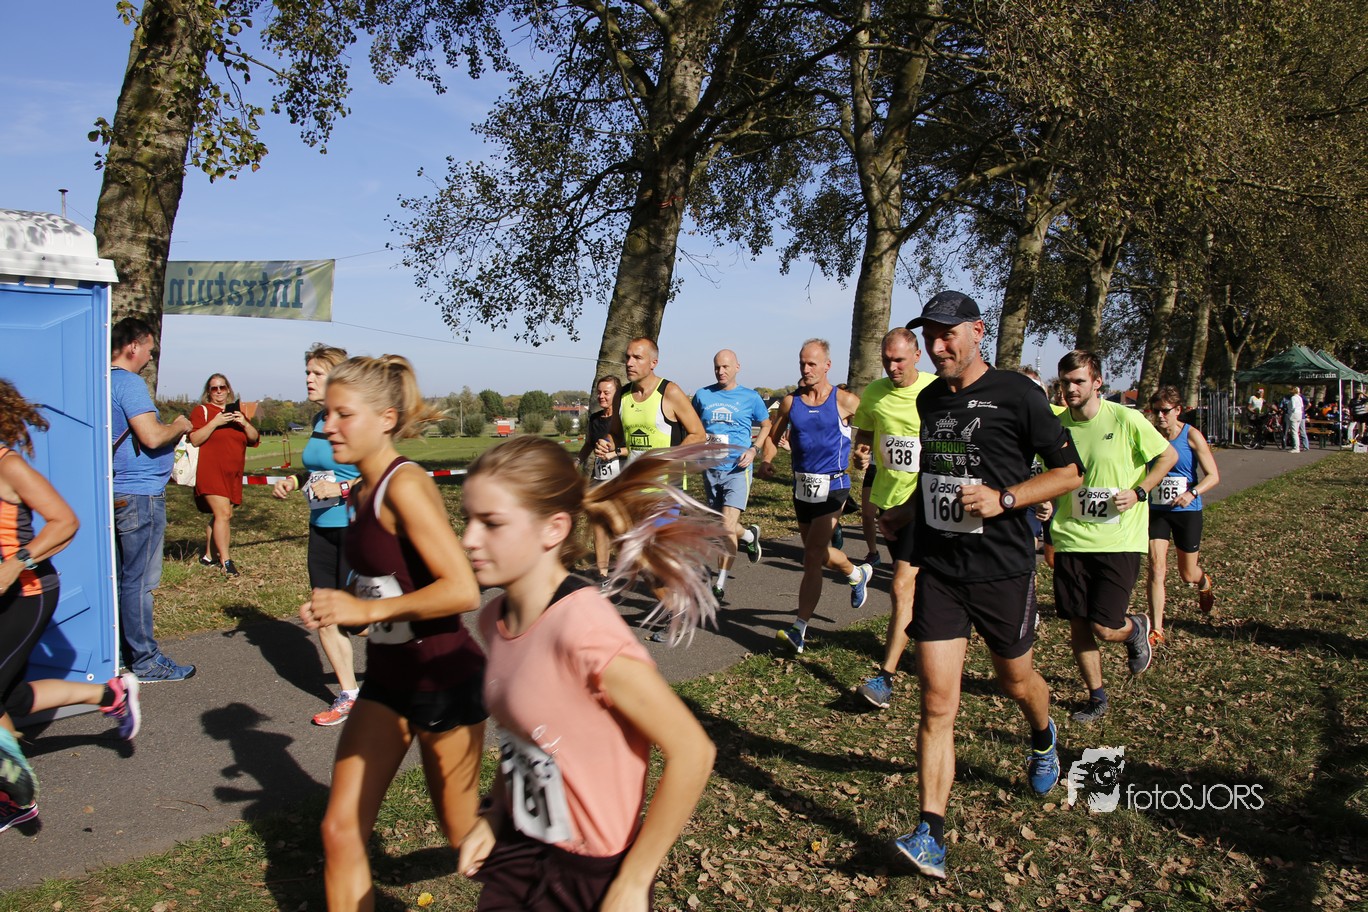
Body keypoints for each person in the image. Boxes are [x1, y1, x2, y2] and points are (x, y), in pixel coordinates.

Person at [457, 436, 716, 911]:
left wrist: (634, 880)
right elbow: (524, 737)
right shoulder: (492, 620)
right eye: (467, 520)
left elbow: (693, 751)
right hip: (521, 847)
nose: (469, 539)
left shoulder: (584, 630)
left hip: (589, 875)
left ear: (553, 529)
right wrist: (493, 817)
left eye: (491, 523)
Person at [879, 291, 1084, 881]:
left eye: (948, 334)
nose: (938, 346)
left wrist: (1006, 499)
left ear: (978, 330)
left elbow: (1070, 472)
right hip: (942, 569)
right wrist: (906, 513)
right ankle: (930, 833)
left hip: (1002, 568)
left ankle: (1043, 735)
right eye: (931, 336)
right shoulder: (928, 400)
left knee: (1014, 681)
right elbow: (936, 471)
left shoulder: (1019, 394)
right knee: (935, 701)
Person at [298, 355, 486, 912]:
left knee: (465, 837)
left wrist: (365, 609)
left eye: (343, 414)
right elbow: (385, 580)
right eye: (327, 413)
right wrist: (342, 607)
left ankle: (559, 878)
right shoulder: (358, 492)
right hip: (386, 681)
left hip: (442, 679)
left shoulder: (406, 485)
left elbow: (463, 590)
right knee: (340, 830)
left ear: (385, 419)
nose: (329, 425)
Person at [0, 379, 141, 833]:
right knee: (12, 697)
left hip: (27, 593)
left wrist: (14, 564)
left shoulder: (8, 466)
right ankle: (110, 695)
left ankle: (15, 797)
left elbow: (64, 522)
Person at [1051, 350, 1176, 725]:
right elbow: (1049, 475)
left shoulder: (1125, 418)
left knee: (1104, 626)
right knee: (1078, 622)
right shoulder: (1055, 426)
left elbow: (1167, 457)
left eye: (1079, 381)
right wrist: (1043, 502)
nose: (1071, 389)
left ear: (1097, 382)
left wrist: (1140, 491)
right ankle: (1097, 696)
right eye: (1065, 382)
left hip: (1118, 539)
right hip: (1071, 537)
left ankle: (1135, 629)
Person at [758, 339, 870, 654]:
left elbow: (871, 427)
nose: (806, 369)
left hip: (835, 487)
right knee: (817, 553)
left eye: (812, 364)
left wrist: (863, 452)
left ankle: (799, 629)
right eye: (802, 363)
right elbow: (773, 437)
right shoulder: (790, 402)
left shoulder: (845, 401)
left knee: (811, 556)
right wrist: (767, 460)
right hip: (803, 487)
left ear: (827, 366)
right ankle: (856, 573)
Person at [271, 345, 364, 727]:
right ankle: (350, 695)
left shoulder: (357, 418)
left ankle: (418, 661)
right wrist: (294, 481)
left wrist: (341, 490)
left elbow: (379, 472)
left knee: (363, 621)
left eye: (316, 373)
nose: (308, 379)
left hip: (356, 529)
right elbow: (317, 471)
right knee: (326, 614)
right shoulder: (317, 420)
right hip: (321, 529)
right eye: (307, 372)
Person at [848, 328, 935, 709]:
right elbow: (866, 437)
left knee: (901, 585)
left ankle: (885, 676)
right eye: (887, 360)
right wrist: (861, 454)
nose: (893, 367)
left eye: (899, 359)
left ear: (917, 355)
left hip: (925, 502)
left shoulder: (935, 391)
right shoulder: (874, 393)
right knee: (915, 587)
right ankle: (928, 636)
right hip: (889, 503)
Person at [110, 317, 197, 683]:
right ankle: (146, 661)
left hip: (117, 491)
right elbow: (150, 436)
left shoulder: (101, 381)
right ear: (134, 345)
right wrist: (179, 425)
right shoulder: (129, 383)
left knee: (121, 579)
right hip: (140, 494)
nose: (149, 357)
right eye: (149, 349)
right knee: (140, 582)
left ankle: (118, 653)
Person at [692, 349, 771, 600]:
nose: (721, 371)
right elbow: (693, 425)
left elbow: (766, 424)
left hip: (738, 469)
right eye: (717, 367)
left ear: (737, 367)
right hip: (711, 469)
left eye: (725, 366)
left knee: (725, 528)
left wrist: (754, 449)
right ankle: (749, 535)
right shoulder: (702, 395)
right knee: (722, 525)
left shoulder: (751, 397)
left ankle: (720, 583)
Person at [1146, 386, 1219, 644]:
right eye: (1156, 411)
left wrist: (1192, 493)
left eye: (1165, 411)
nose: (1160, 416)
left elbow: (1213, 475)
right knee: (1156, 567)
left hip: (1186, 510)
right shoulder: (1150, 436)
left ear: (1177, 410)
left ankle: (1204, 581)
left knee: (1187, 574)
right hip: (1158, 510)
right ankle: (1157, 629)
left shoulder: (1191, 435)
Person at [189, 373, 260, 576]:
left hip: (233, 475)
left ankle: (208, 556)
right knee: (223, 514)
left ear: (228, 389)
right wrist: (215, 423)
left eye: (222, 387)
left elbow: (254, 438)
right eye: (214, 388)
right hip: (211, 472)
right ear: (208, 392)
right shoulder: (202, 411)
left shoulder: (237, 413)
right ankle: (226, 562)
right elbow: (195, 439)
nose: (219, 391)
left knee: (222, 515)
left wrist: (244, 423)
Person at [576, 375, 622, 582]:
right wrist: (577, 461)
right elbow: (589, 444)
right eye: (599, 392)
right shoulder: (595, 419)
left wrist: (615, 453)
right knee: (599, 528)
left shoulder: (624, 418)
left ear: (617, 395)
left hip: (621, 481)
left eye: (606, 393)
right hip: (600, 479)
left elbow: (633, 448)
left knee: (621, 528)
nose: (601, 396)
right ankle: (603, 576)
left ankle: (629, 570)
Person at [1285, 386, 1309, 452]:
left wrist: (1290, 413)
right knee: (1297, 432)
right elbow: (1302, 407)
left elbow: (1293, 407)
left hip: (1294, 415)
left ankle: (1296, 448)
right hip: (1300, 415)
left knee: (1294, 432)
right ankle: (1297, 446)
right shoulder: (1300, 398)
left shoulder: (1293, 398)